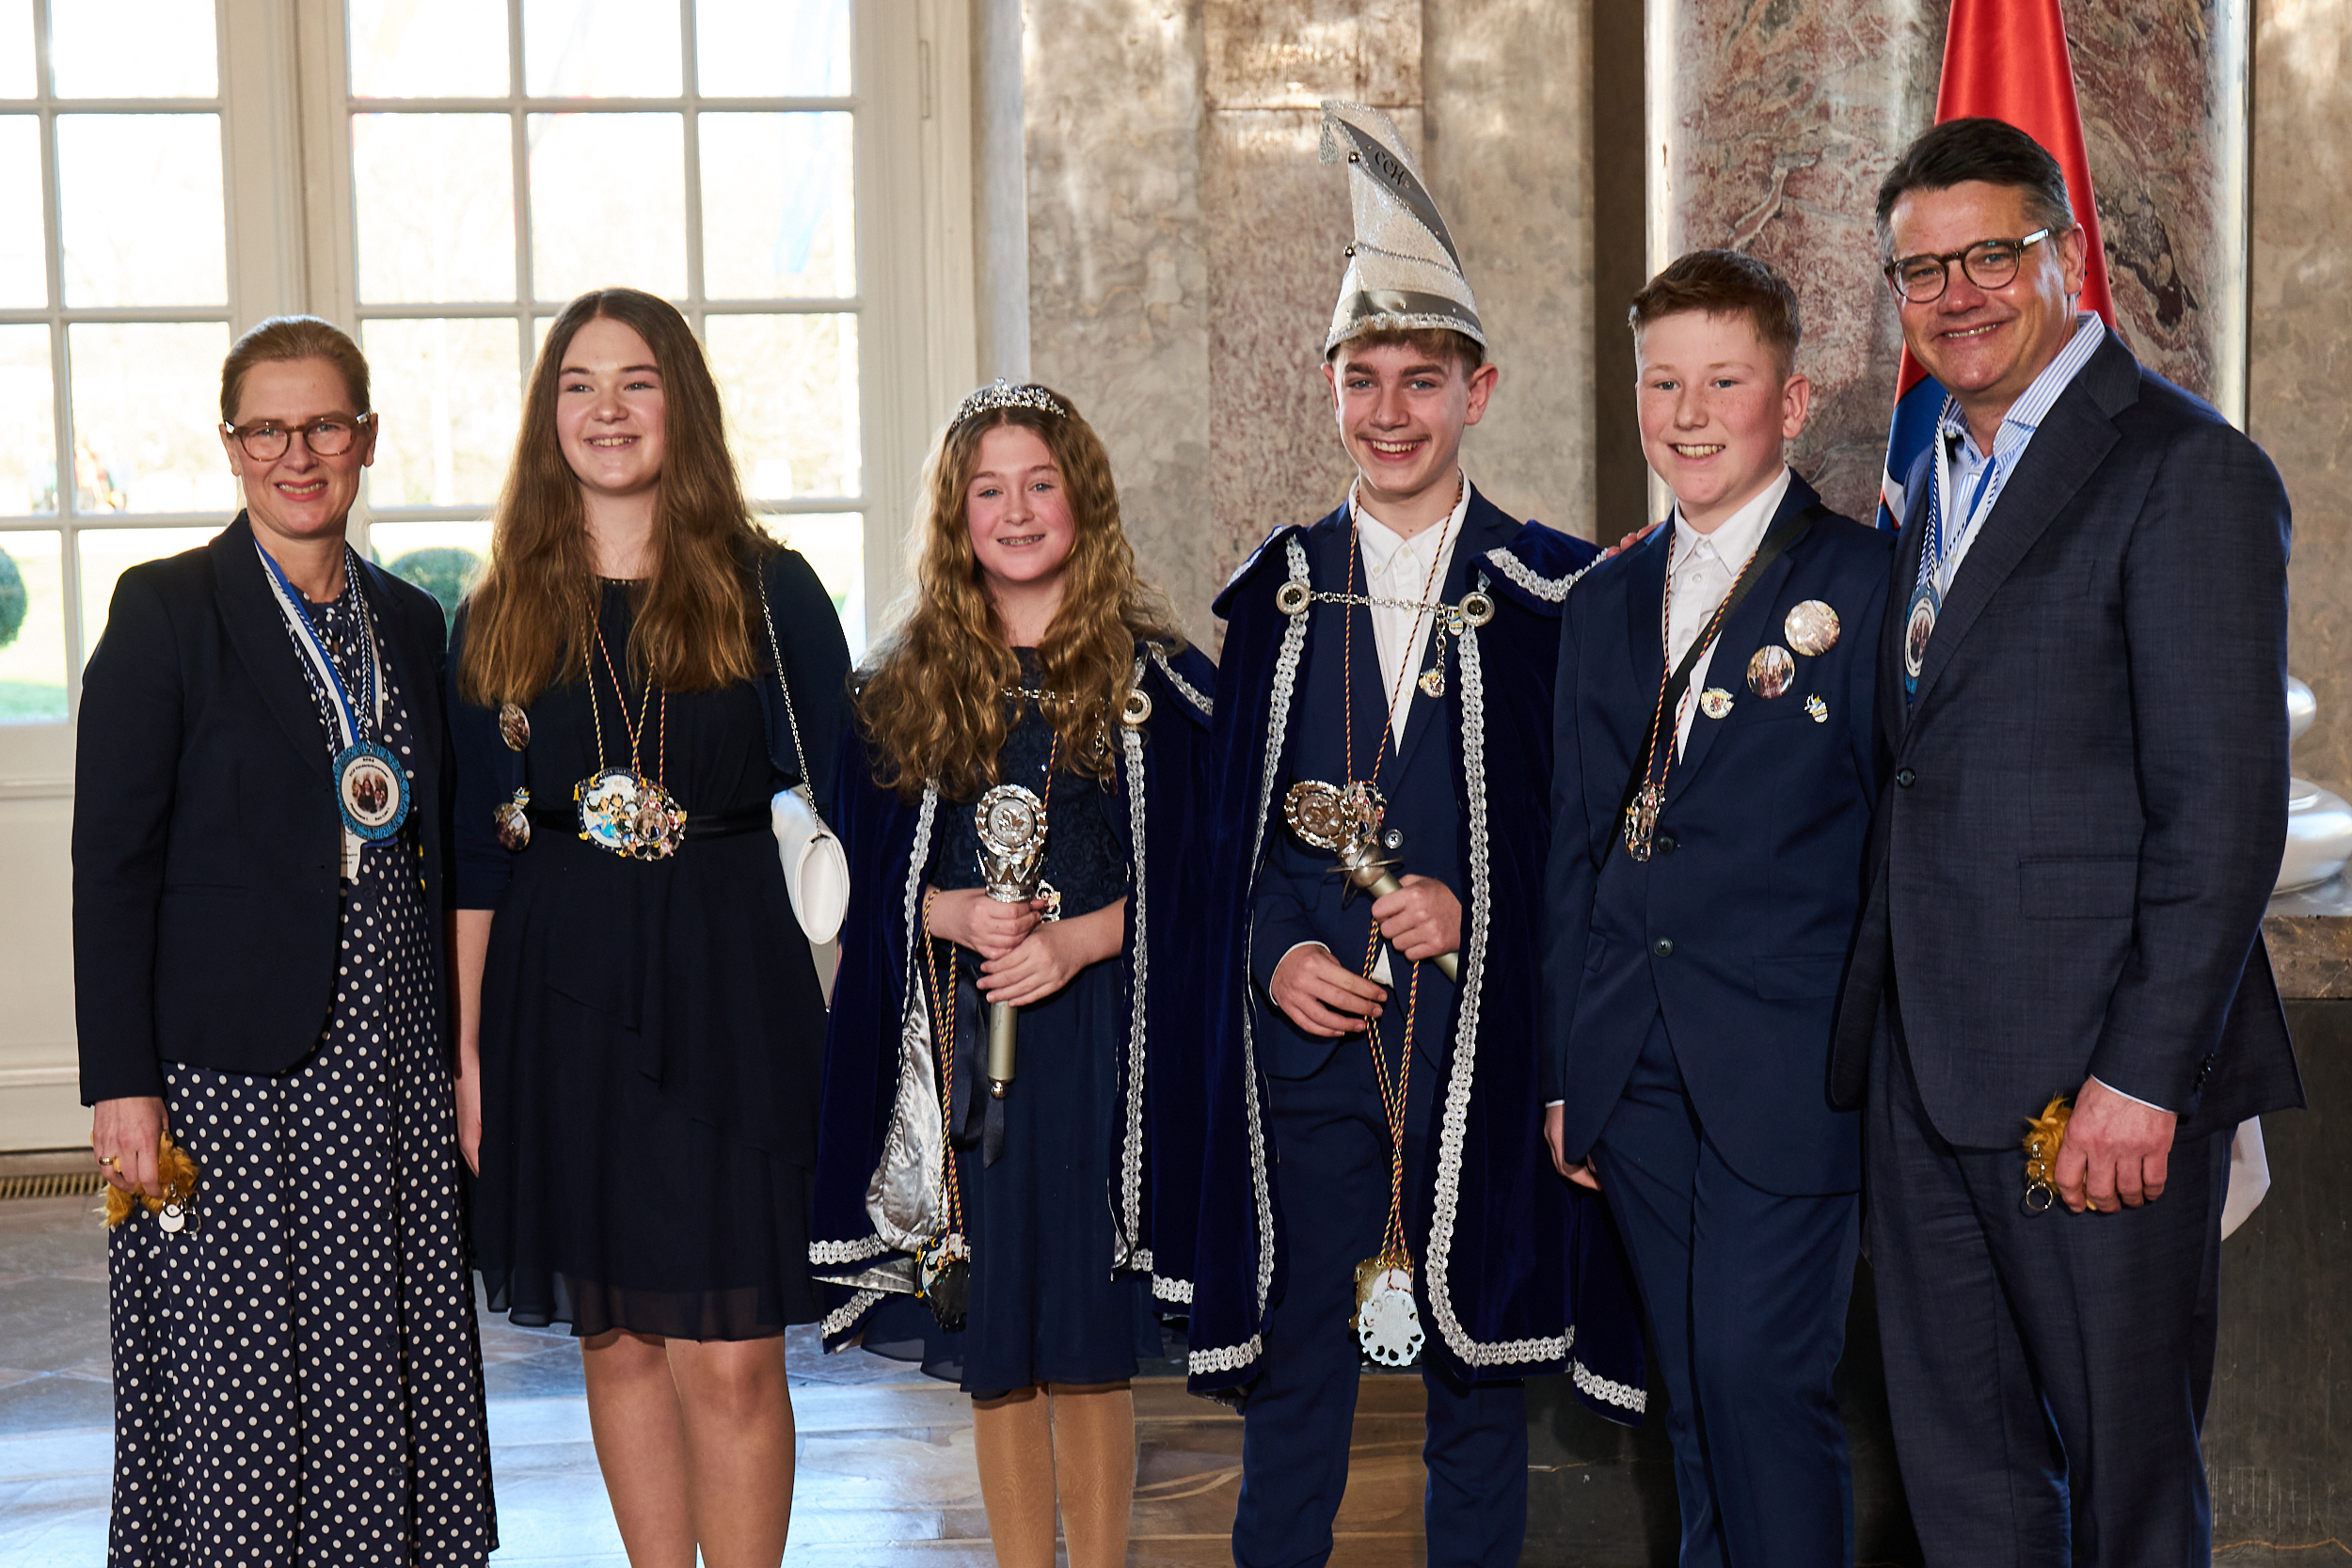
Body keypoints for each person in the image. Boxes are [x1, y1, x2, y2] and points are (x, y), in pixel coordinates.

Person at [1832, 118, 2303, 1562]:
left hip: (2095, 1089)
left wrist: (2143, 1077)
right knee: (1967, 1484)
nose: (1956, 294)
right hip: (1927, 1078)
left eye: (1992, 254)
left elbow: (2224, 811)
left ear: (2068, 255)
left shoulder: (2185, 469)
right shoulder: (1933, 465)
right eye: (1922, 269)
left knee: (2129, 1489)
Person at [1188, 101, 1645, 1568]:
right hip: (1312, 1060)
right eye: (1364, 380)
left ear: (1478, 390)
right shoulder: (1272, 593)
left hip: (1478, 1054)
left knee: (1477, 1392)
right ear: (1327, 387)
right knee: (1295, 1390)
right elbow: (1229, 847)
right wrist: (1274, 955)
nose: (1392, 413)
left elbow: (1598, 850)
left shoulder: (1557, 595)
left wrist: (1475, 914)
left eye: (1424, 382)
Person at [75, 315, 495, 1563]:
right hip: (227, 1071)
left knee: (381, 1346)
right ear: (231, 445)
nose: (297, 455)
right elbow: (112, 864)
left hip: (390, 1062)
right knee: (242, 1367)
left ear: (365, 437)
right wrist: (120, 1082)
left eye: (323, 425)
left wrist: (464, 1051)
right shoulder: (165, 609)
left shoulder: (412, 619)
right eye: (268, 429)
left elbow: (443, 847)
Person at [449, 288, 850, 1567]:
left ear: (682, 403)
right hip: (557, 995)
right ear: (547, 415)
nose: (607, 409)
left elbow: (846, 813)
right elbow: (475, 856)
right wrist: (468, 1053)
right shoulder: (499, 606)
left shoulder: (770, 589)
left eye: (636, 381)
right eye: (578, 384)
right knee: (617, 1335)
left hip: (732, 993)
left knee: (729, 1353)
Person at [807, 379, 1216, 1568]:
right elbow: (852, 877)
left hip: (1101, 1044)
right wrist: (944, 909)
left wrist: (1078, 938)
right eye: (989, 490)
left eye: (1041, 484)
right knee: (999, 1330)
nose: (1018, 510)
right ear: (957, 516)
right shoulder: (896, 688)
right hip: (958, 1042)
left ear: (1083, 502)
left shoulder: (1159, 683)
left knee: (1086, 1327)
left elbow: (1202, 882)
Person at [1541, 250, 1892, 1567]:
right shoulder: (1603, 598)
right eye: (1663, 382)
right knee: (1691, 1393)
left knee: (1759, 1379)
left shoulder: (1868, 584)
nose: (1689, 414)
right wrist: (1568, 1071)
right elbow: (1575, 850)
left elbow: (1898, 847)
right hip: (1634, 1063)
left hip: (1790, 1065)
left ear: (1790, 402)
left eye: (1725, 382)